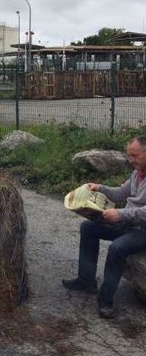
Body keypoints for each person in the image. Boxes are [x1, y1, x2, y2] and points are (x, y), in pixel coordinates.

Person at [62, 136, 146, 319]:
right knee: (88, 227)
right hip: (129, 222)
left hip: (142, 229)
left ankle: (106, 301)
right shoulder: (137, 173)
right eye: (128, 155)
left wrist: (121, 214)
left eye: (134, 155)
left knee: (117, 248)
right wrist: (99, 188)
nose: (130, 160)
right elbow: (120, 193)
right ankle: (86, 280)